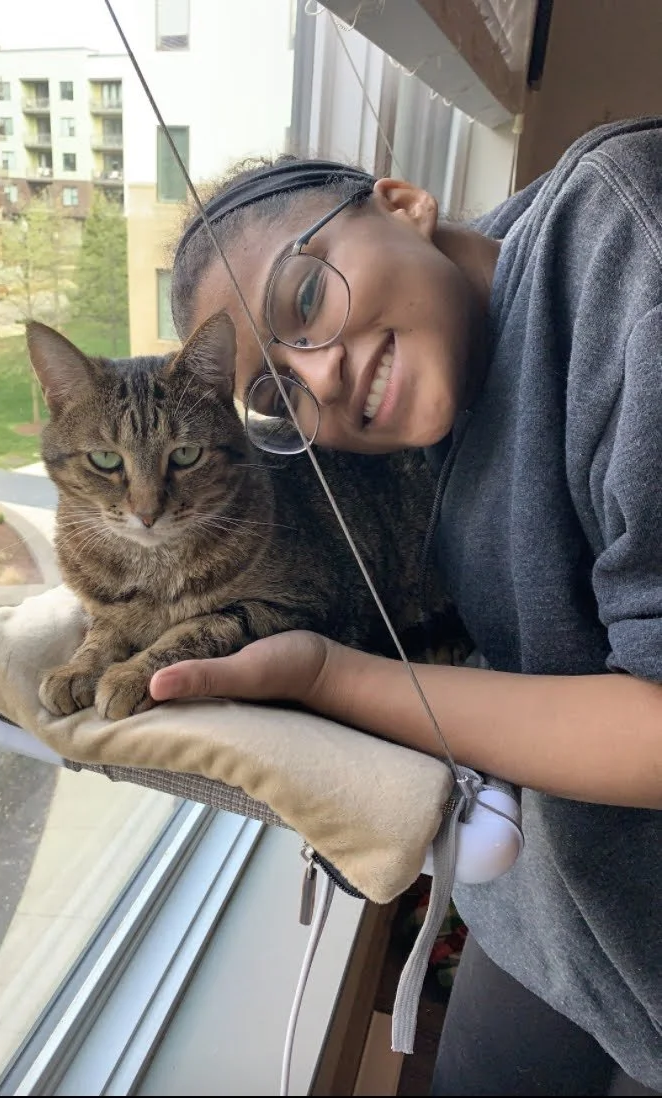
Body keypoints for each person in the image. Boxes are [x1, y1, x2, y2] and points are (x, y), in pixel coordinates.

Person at [148, 116, 662, 1095]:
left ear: (402, 203)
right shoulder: (406, 434)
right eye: (278, 391)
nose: (321, 377)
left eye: (306, 297)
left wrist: (330, 678)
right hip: (553, 927)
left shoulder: (626, 245)